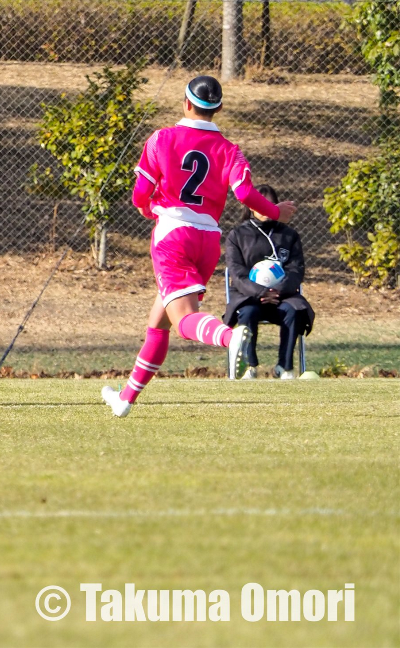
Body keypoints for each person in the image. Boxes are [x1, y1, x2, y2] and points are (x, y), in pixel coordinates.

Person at [102, 75, 296, 417]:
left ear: (185, 103)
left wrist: (148, 207)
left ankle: (228, 337)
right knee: (159, 321)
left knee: (183, 320)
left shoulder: (162, 138)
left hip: (174, 234)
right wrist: (277, 211)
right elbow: (246, 195)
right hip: (207, 238)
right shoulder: (229, 149)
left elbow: (138, 197)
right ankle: (125, 399)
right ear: (218, 108)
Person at [223, 185, 314, 380]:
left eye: (271, 205)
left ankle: (285, 367)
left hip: (283, 297)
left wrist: (277, 291)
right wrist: (260, 292)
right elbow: (237, 274)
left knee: (294, 310)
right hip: (249, 297)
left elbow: (296, 270)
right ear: (250, 206)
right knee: (247, 313)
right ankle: (249, 366)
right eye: (261, 204)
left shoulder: (289, 236)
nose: (266, 209)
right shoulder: (237, 235)